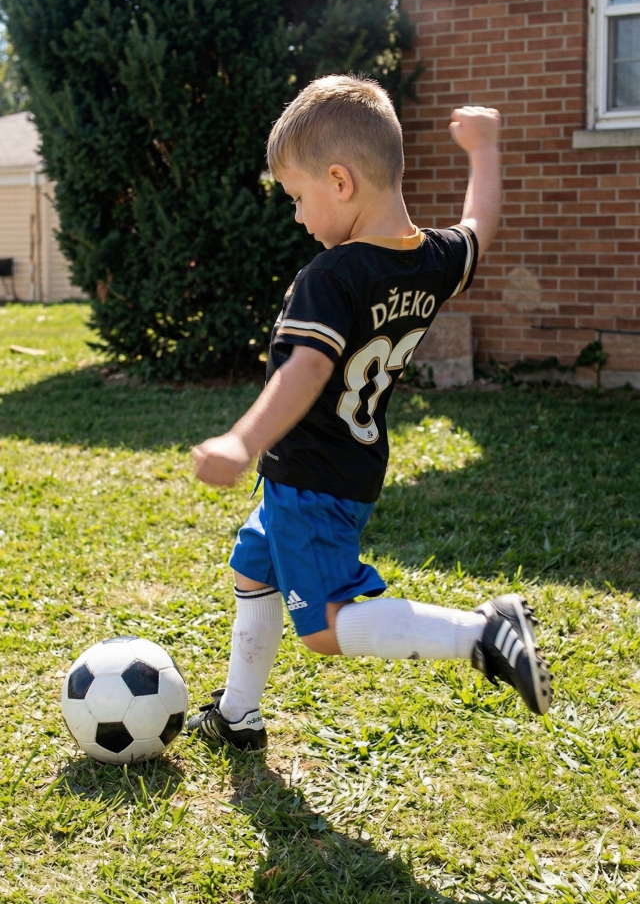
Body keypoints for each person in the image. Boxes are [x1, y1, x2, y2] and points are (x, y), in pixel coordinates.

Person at [187, 75, 553, 752]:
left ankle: (483, 631)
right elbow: (479, 230)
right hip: (342, 466)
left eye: (299, 198)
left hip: (311, 477)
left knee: (325, 627)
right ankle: (238, 712)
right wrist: (485, 149)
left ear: (340, 181)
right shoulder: (429, 260)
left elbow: (308, 368)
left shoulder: (332, 277)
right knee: (253, 567)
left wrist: (242, 441)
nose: (298, 217)